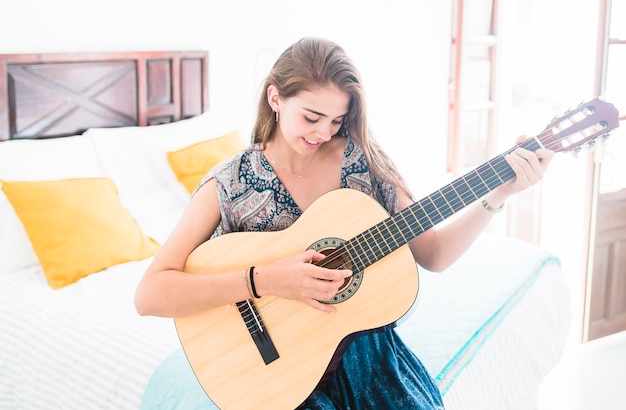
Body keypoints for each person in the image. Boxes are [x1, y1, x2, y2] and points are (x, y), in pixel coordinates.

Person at [135, 36, 554, 410]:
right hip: (279, 376)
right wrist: (265, 280)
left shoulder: (364, 160)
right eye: (311, 116)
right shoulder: (229, 183)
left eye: (336, 120)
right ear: (275, 98)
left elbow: (434, 254)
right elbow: (150, 294)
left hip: (369, 358)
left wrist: (498, 195)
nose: (323, 132)